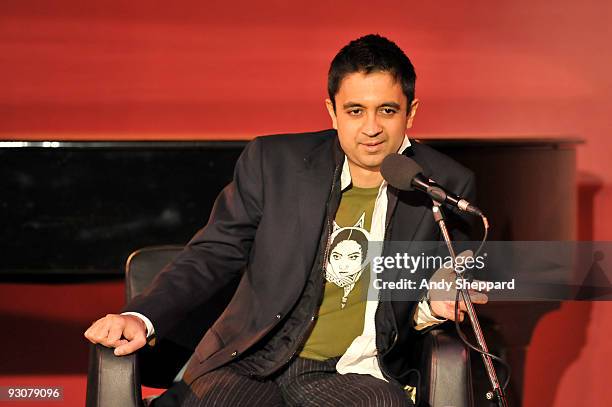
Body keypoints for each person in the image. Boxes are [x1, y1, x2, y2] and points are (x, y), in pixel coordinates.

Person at [85, 33, 487, 406]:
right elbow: (213, 253)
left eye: (386, 110)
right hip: (253, 360)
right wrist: (141, 316)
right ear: (332, 112)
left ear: (410, 113)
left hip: (349, 371)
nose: (371, 128)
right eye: (355, 110)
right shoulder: (274, 163)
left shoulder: (444, 186)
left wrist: (437, 303)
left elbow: (438, 287)